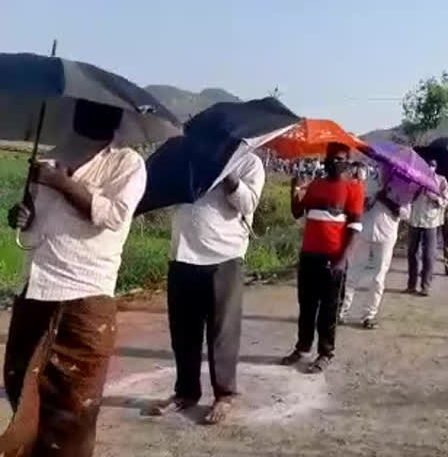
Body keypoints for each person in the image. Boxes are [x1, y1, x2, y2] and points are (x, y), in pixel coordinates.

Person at [1, 100, 146, 456]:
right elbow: (35, 218)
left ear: (114, 120)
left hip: (86, 297)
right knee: (22, 388)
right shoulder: (53, 155)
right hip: (37, 287)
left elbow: (112, 216)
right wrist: (20, 214)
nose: (87, 114)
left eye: (97, 110)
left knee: (75, 406)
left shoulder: (127, 164)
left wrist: (61, 183)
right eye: (83, 108)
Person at [149, 151, 265, 424]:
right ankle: (186, 392)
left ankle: (225, 394)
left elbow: (248, 204)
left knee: (221, 332)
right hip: (182, 253)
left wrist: (228, 174)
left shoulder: (250, 163)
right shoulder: (190, 157)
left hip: (224, 257)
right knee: (183, 332)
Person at [280, 143, 364, 373]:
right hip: (309, 255)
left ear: (347, 162)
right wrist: (293, 190)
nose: (336, 163)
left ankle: (326, 352)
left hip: (333, 259)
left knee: (328, 310)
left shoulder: (354, 189)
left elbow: (355, 228)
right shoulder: (315, 185)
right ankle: (302, 347)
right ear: (325, 161)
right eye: (332, 159)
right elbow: (298, 212)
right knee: (306, 306)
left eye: (341, 159)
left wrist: (342, 260)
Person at [340, 170, 409, 328]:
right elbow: (356, 203)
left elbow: (405, 214)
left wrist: (386, 200)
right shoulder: (369, 181)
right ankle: (341, 311)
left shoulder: (404, 188)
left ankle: (369, 316)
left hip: (386, 235)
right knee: (353, 273)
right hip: (364, 231)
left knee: (378, 277)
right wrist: (368, 200)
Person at [406, 160, 447, 296]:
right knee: (412, 253)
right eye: (428, 164)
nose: (430, 167)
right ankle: (411, 285)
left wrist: (433, 196)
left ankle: (425, 286)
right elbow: (407, 195)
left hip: (431, 222)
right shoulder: (415, 177)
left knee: (428, 255)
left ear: (436, 167)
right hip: (415, 219)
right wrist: (417, 189)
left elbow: (445, 201)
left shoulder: (441, 181)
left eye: (433, 165)